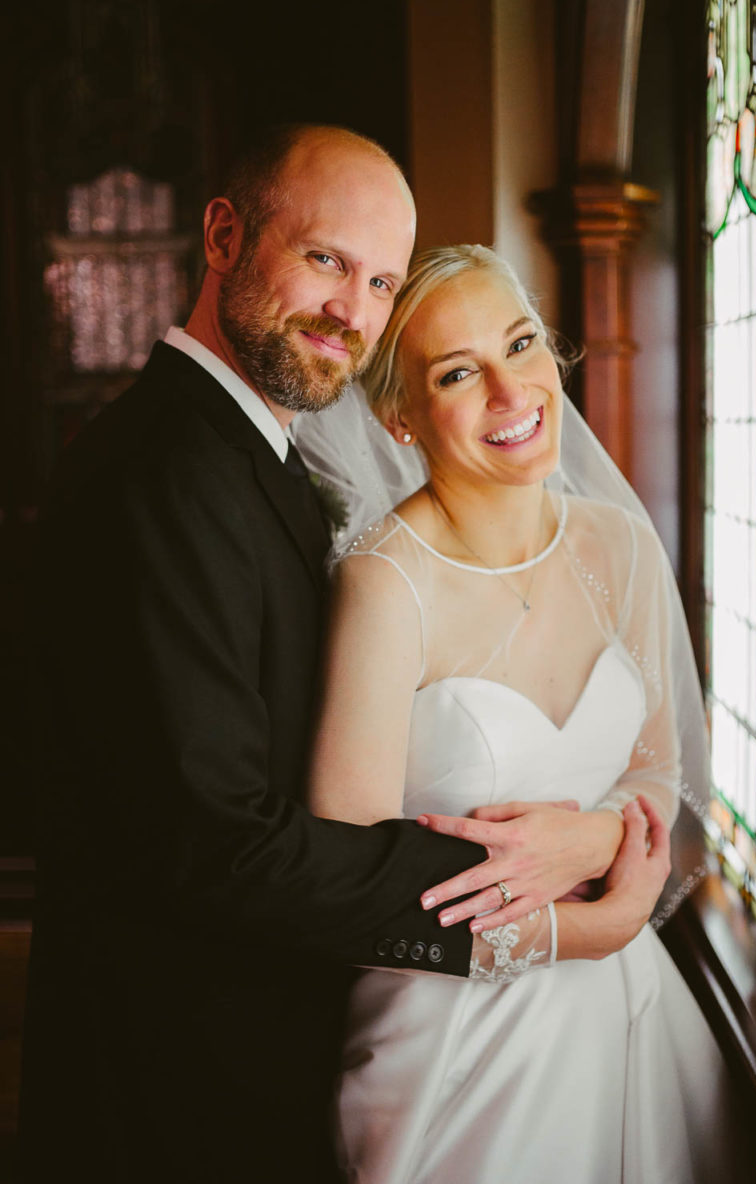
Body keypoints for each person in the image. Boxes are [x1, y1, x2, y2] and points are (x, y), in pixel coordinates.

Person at [19, 127, 670, 1184]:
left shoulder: (250, 457)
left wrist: (595, 844)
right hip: (175, 1084)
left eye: (380, 281)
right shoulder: (165, 477)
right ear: (224, 235)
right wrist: (540, 910)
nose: (351, 310)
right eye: (325, 260)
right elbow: (217, 843)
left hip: (262, 1051)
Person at [300, 244, 729, 1183]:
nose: (510, 389)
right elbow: (342, 875)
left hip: (631, 1010)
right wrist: (572, 933)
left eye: (522, 343)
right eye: (458, 372)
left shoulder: (618, 544)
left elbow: (663, 767)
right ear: (400, 417)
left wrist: (595, 839)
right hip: (458, 1033)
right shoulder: (384, 586)